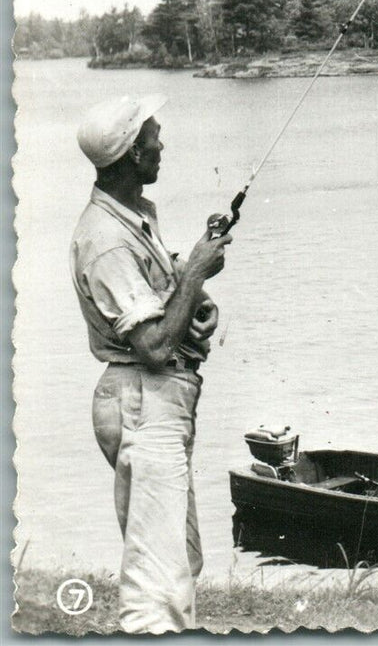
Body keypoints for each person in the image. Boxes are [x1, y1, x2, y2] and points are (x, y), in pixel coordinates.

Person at [70, 94, 231, 633]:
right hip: (144, 400)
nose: (161, 144)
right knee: (156, 581)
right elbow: (157, 347)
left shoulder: (131, 218)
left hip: (152, 400)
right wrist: (195, 275)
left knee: (176, 561)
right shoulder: (107, 241)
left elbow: (160, 314)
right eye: (152, 136)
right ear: (132, 156)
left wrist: (191, 291)